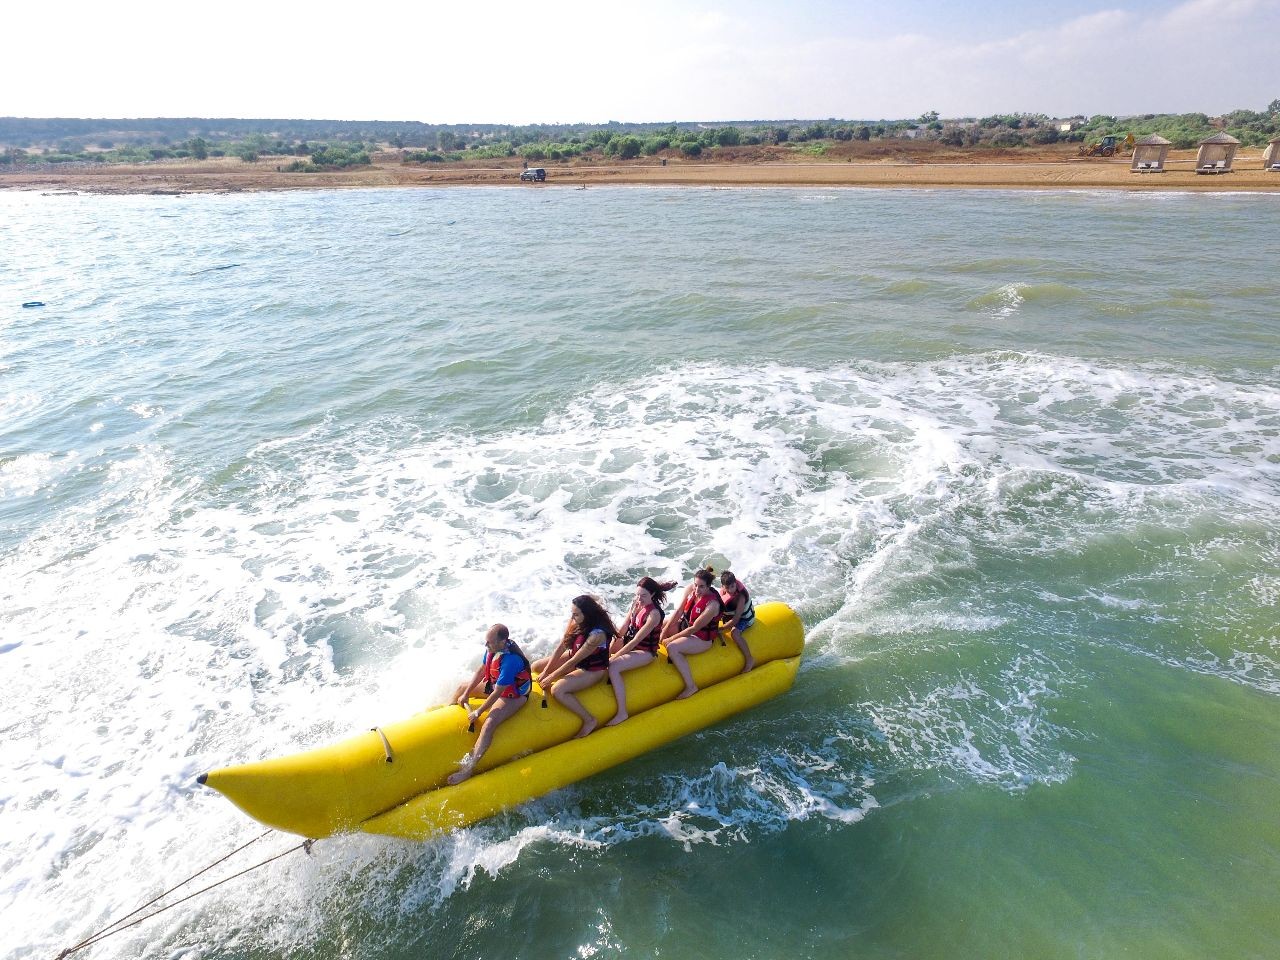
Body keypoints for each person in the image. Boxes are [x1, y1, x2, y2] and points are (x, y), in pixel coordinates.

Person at [447, 624, 532, 785]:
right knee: (461, 688)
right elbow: (481, 671)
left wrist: (478, 712)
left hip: (514, 695)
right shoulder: (493, 650)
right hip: (496, 686)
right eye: (486, 642)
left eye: (489, 642)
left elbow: (498, 693)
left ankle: (468, 770)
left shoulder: (511, 661)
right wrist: (466, 694)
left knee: (489, 723)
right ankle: (447, 713)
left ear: (503, 642)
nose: (486, 645)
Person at [534, 595, 617, 738]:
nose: (573, 617)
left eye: (576, 614)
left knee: (558, 690)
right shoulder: (577, 620)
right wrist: (546, 671)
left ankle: (589, 719)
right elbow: (561, 646)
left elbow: (573, 662)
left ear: (587, 614)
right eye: (572, 613)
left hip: (592, 669)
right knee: (536, 667)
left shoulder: (597, 635)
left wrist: (550, 677)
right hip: (576, 659)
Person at [605, 576, 677, 726]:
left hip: (645, 652)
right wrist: (610, 646)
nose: (639, 598)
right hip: (630, 643)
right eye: (637, 594)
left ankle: (622, 712)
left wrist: (613, 658)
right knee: (603, 650)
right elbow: (624, 628)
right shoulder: (636, 603)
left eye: (643, 595)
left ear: (652, 595)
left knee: (613, 666)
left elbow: (637, 640)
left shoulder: (654, 615)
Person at [661, 567, 722, 700]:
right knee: (659, 625)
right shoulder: (691, 589)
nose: (697, 589)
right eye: (695, 585)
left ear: (708, 587)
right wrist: (663, 631)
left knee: (672, 647)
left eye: (701, 587)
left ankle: (691, 686)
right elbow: (678, 612)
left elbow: (694, 629)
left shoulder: (712, 605)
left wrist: (670, 639)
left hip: (701, 639)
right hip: (685, 626)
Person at [718, 570, 756, 673]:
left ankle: (749, 659)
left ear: (735, 583)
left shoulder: (741, 596)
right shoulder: (723, 592)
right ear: (723, 586)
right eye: (727, 587)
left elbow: (736, 619)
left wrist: (721, 628)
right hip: (730, 616)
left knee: (735, 633)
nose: (730, 590)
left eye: (733, 586)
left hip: (744, 619)